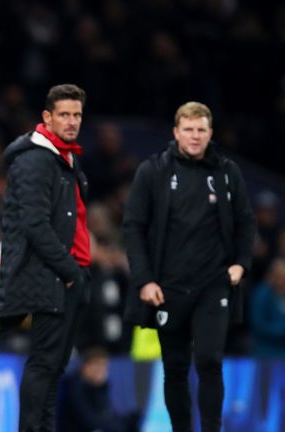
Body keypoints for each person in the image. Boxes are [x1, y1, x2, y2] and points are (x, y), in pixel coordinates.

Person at [122, 101, 255, 432]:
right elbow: (133, 226)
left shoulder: (227, 173)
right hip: (168, 287)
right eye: (188, 130)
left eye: (201, 130)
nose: (195, 137)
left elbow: (246, 222)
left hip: (214, 284)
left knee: (210, 360)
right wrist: (144, 280)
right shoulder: (153, 171)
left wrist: (241, 263)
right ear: (175, 133)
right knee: (176, 366)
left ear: (210, 133)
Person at [0, 84, 91, 432]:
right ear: (47, 117)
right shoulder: (37, 158)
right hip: (50, 275)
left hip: (67, 274)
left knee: (54, 369)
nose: (71, 121)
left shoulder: (64, 156)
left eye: (77, 115)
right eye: (64, 115)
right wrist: (70, 271)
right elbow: (34, 223)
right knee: (43, 366)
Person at [59, 346, 140, 432]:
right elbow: (89, 420)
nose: (101, 370)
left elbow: (106, 413)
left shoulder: (98, 386)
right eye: (97, 365)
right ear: (86, 367)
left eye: (104, 366)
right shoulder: (75, 387)